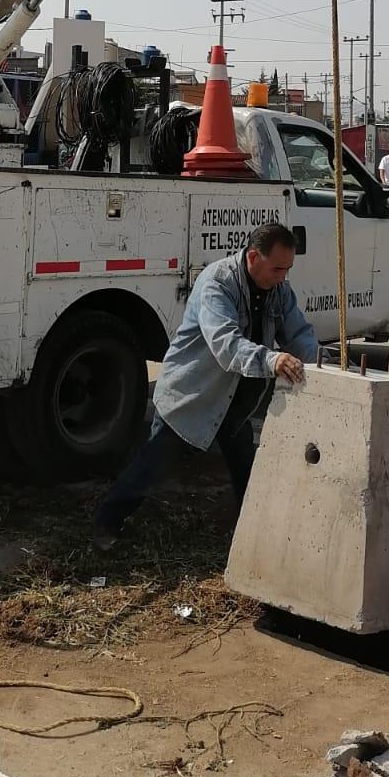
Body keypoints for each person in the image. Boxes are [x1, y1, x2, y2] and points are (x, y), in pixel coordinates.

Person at [94, 222, 317, 550]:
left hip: (235, 401)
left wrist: (319, 363)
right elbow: (226, 344)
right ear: (253, 257)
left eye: (288, 269)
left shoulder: (279, 290)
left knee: (246, 467)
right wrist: (273, 360)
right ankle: (106, 523)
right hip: (193, 394)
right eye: (278, 268)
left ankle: (253, 534)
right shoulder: (217, 283)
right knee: (152, 466)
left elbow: (298, 333)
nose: (283, 277)